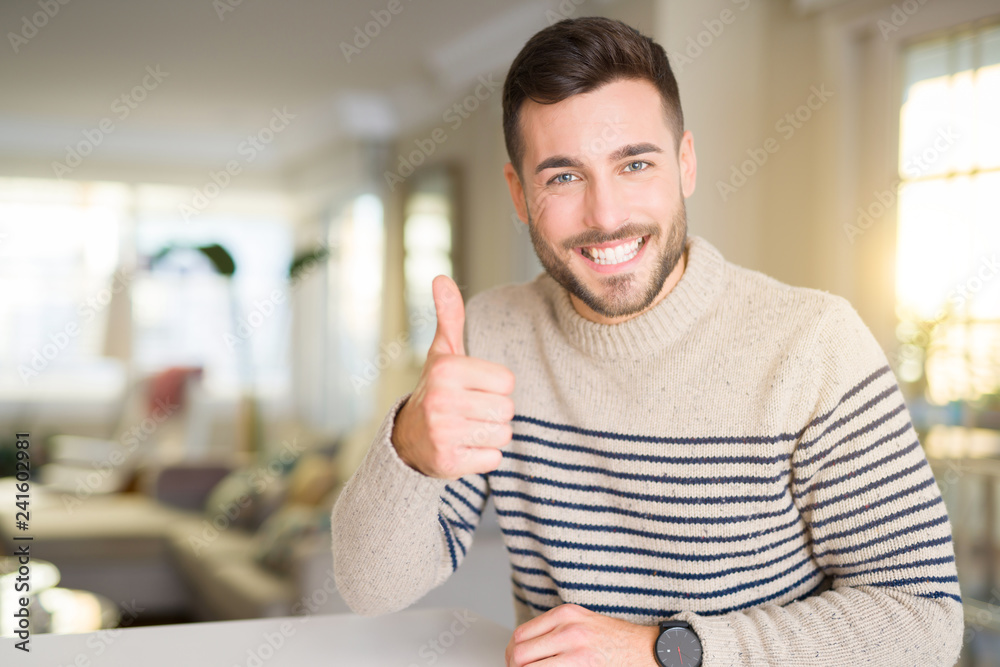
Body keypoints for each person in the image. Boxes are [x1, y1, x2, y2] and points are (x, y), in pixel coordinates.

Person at [332, 16, 963, 666]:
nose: (606, 215)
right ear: (519, 195)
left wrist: (667, 650)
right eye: (563, 177)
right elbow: (371, 589)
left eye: (635, 163)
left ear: (685, 163)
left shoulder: (814, 345)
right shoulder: (491, 336)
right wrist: (410, 443)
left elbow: (923, 619)